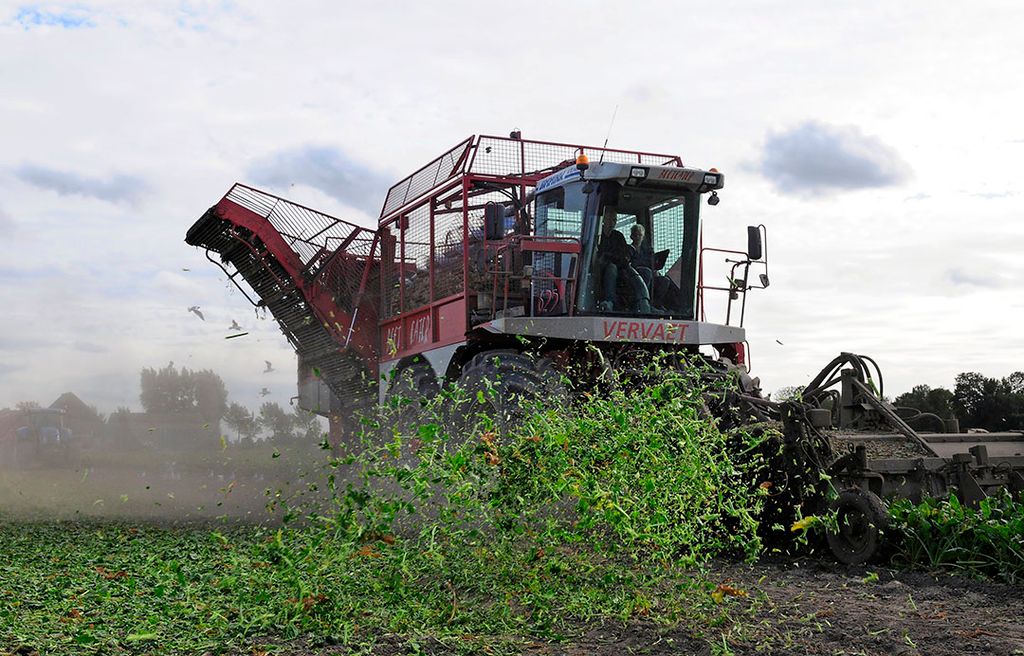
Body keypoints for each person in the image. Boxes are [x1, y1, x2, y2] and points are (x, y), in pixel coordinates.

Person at [596, 207, 650, 313]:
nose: (612, 222)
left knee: (646, 272)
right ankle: (610, 301)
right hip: (602, 268)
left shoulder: (618, 236)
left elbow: (624, 255)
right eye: (609, 219)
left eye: (615, 220)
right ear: (603, 220)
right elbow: (598, 256)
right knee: (612, 268)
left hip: (622, 266)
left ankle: (644, 304)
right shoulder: (597, 236)